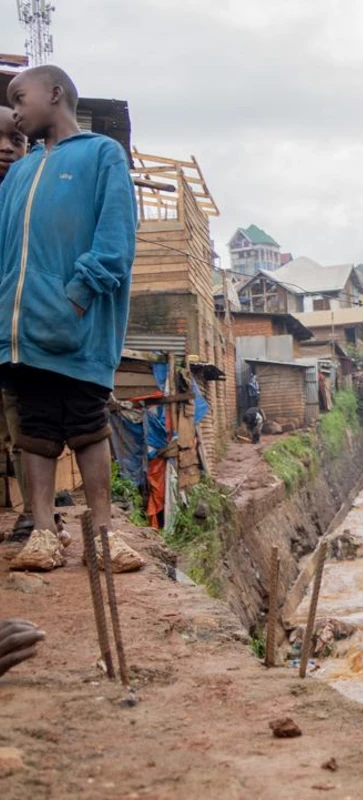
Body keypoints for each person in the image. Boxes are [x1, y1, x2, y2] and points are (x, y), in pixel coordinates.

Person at [0, 66, 138, 572]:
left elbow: (116, 238)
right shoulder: (17, 172)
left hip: (77, 324)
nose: (15, 110)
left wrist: (76, 297)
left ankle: (102, 534)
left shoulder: (102, 154)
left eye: (20, 97)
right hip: (19, 329)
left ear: (55, 94)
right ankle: (41, 532)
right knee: (33, 429)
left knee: (85, 423)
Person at [0, 107, 31, 540]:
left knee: (24, 424)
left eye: (17, 140)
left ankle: (34, 516)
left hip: (17, 334)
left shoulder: (34, 197)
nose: (7, 148)